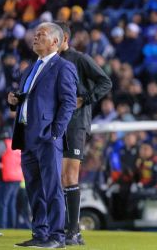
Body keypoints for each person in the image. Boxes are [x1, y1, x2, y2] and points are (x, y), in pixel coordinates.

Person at [7, 22, 77, 248]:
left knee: (52, 187)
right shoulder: (30, 68)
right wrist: (15, 100)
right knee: (35, 188)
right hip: (27, 136)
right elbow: (29, 98)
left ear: (55, 41)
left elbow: (68, 102)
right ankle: (40, 234)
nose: (35, 38)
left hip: (48, 136)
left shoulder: (63, 67)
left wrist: (56, 132)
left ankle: (57, 236)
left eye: (41, 35)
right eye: (35, 34)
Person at [54, 21, 112, 245]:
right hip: (55, 124)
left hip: (76, 123)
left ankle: (73, 231)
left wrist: (85, 99)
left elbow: (105, 82)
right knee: (57, 177)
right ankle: (60, 228)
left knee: (69, 176)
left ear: (65, 39)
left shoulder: (80, 59)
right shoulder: (49, 63)